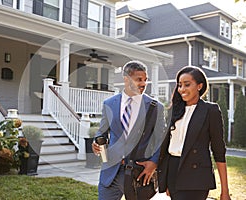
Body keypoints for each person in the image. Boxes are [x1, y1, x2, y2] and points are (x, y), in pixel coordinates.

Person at [92, 60, 165, 200]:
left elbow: (160, 139)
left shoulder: (155, 107)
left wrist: (154, 163)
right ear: (126, 79)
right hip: (111, 173)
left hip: (139, 173)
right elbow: (102, 132)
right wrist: (96, 142)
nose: (143, 84)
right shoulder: (109, 104)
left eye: (145, 80)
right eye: (139, 79)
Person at [158, 66, 231, 200]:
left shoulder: (211, 110)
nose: (182, 89)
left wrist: (225, 191)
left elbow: (219, 151)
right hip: (173, 171)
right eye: (180, 85)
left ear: (199, 86)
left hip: (196, 177)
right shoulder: (173, 111)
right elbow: (166, 147)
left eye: (187, 84)